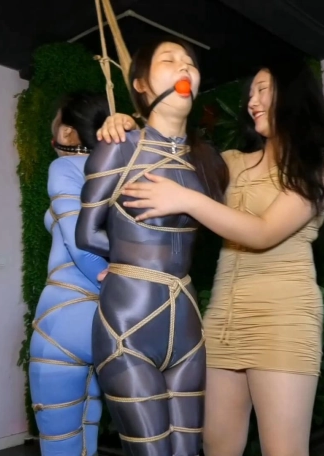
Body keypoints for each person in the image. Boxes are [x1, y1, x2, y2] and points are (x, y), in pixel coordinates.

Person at [97, 62, 324, 456]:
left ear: (294, 96)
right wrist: (128, 128)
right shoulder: (229, 162)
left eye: (263, 90)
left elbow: (263, 232)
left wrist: (187, 199)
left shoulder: (318, 164)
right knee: (217, 446)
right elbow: (163, 156)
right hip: (222, 320)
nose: (252, 101)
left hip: (283, 318)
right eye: (251, 93)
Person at [75, 36, 228, 456]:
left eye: (190, 62)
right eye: (169, 59)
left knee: (188, 450)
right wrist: (130, 261)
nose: (184, 67)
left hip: (188, 324)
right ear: (140, 84)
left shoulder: (207, 160)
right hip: (128, 325)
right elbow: (86, 233)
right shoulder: (120, 146)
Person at [28, 91, 132, 456]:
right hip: (108, 321)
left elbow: (79, 241)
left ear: (68, 133)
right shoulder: (119, 171)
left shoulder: (64, 168)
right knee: (89, 428)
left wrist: (106, 277)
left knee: (61, 441)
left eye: (55, 123)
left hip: (64, 317)